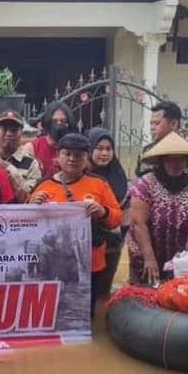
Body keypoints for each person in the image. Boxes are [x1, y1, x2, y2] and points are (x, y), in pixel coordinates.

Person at [29, 133, 122, 315]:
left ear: (86, 159)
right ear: (58, 157)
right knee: (51, 312)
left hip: (90, 261)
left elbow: (117, 218)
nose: (72, 159)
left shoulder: (99, 184)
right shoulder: (43, 186)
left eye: (78, 155)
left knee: (84, 314)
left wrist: (102, 212)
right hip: (52, 260)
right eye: (67, 154)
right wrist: (31, 204)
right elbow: (25, 223)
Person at [126, 132, 188, 284]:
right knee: (145, 300)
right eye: (170, 159)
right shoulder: (145, 184)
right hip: (146, 257)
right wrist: (149, 258)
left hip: (182, 258)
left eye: (180, 159)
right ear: (162, 161)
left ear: (186, 162)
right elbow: (138, 224)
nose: (175, 163)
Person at [135, 102, 188, 241]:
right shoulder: (147, 153)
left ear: (173, 124)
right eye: (151, 124)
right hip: (151, 235)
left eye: (157, 123)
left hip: (185, 233)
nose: (152, 128)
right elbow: (139, 198)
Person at [87, 127, 129, 297]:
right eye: (99, 148)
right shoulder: (81, 175)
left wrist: (119, 238)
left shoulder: (118, 174)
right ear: (89, 150)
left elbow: (126, 212)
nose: (104, 153)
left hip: (111, 245)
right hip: (85, 246)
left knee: (103, 292)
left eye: (108, 149)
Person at [0, 109, 43, 197]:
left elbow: (32, 198)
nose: (9, 133)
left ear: (21, 133)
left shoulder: (31, 164)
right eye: (4, 128)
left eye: (13, 129)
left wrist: (12, 174)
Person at [25, 101, 78, 178]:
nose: (59, 124)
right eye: (54, 121)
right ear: (48, 122)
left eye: (63, 121)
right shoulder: (32, 148)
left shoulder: (76, 148)